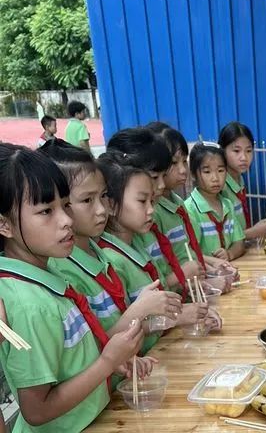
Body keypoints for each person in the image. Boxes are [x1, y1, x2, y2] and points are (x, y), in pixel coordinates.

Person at [0, 145, 142, 433]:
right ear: (4, 224)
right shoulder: (28, 304)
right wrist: (107, 362)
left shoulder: (45, 283)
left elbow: (70, 364)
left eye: (64, 205)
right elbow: (36, 410)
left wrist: (116, 362)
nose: (65, 220)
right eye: (45, 211)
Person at [42, 143, 180, 340]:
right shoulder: (63, 271)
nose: (101, 209)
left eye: (104, 196)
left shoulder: (99, 253)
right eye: (87, 200)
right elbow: (96, 349)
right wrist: (139, 310)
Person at [97, 151, 215, 347]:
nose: (151, 210)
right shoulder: (110, 260)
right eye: (142, 201)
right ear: (110, 205)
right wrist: (178, 317)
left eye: (152, 201)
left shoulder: (136, 245)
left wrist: (189, 313)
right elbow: (117, 332)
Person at [106, 128, 199, 295]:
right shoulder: (115, 252)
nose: (161, 185)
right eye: (154, 177)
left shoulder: (137, 234)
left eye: (163, 176)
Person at [147, 123, 234, 293]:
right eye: (173, 163)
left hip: (193, 290)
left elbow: (188, 255)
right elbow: (164, 274)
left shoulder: (177, 202)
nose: (182, 170)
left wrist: (210, 269)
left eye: (184, 161)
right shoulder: (152, 213)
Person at [184, 143, 246, 261]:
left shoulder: (227, 204)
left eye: (220, 170)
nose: (215, 178)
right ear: (193, 175)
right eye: (207, 172)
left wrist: (229, 254)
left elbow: (239, 242)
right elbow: (190, 253)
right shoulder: (189, 209)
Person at [218, 121, 266, 244]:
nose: (244, 157)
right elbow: (222, 235)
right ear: (222, 151)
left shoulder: (239, 179)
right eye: (236, 151)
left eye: (248, 151)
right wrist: (253, 232)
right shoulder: (219, 185)